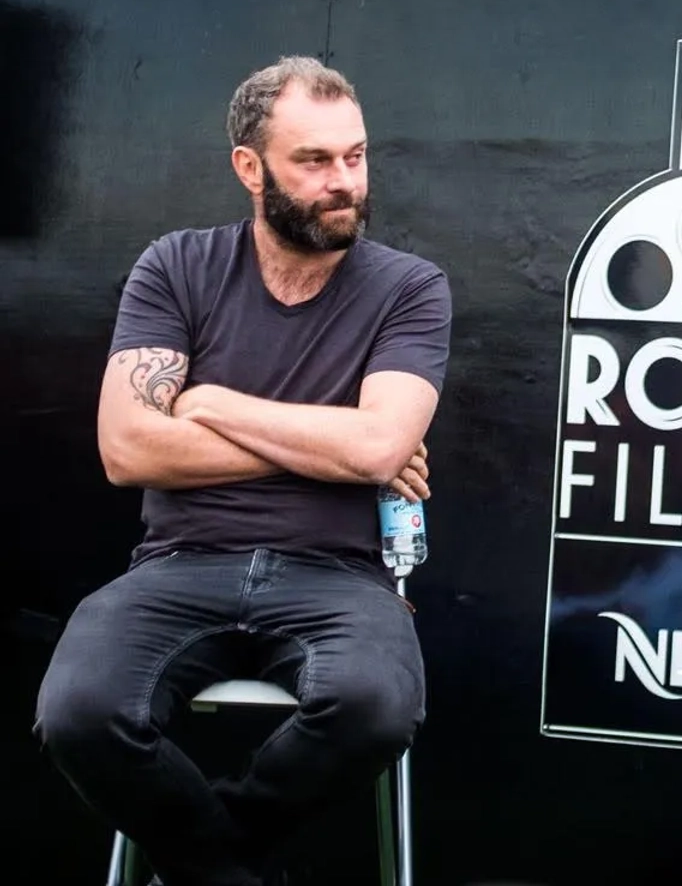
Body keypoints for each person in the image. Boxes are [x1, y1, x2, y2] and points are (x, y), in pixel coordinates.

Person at [35, 56, 453, 886]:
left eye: (356, 156)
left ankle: (199, 861)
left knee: (374, 706)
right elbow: (127, 450)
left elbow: (377, 449)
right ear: (249, 166)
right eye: (314, 161)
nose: (344, 182)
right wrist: (334, 444)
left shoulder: (409, 288)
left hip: (338, 576)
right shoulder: (177, 268)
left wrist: (210, 400)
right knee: (78, 714)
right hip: (179, 567)